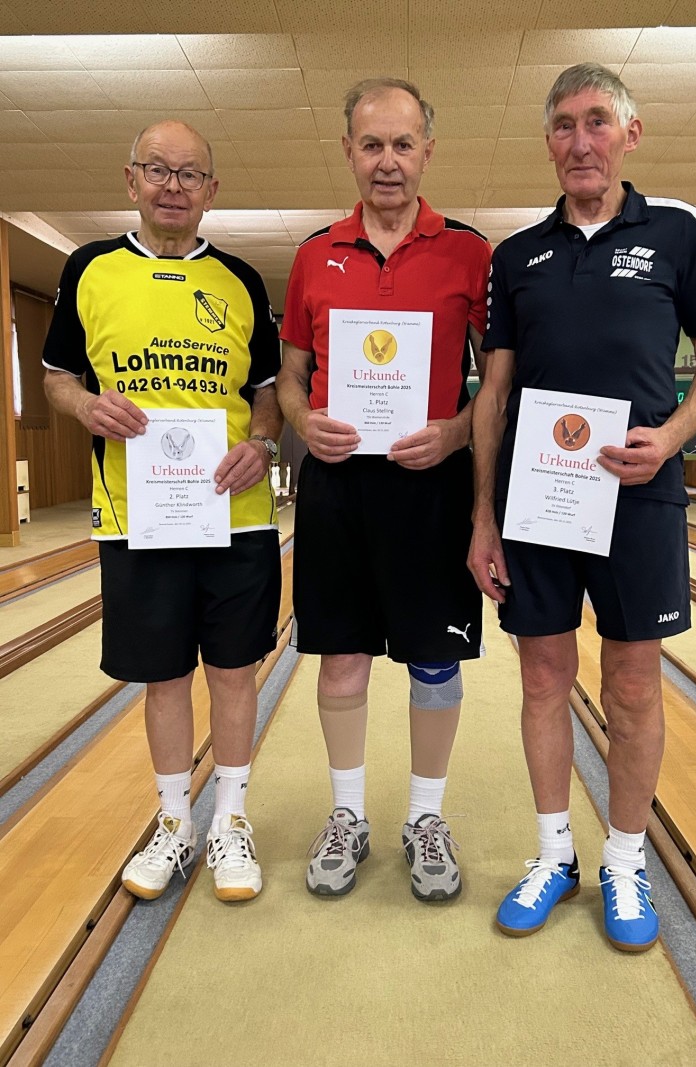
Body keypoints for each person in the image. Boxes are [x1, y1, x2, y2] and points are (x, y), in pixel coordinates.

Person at [468, 63, 696, 950]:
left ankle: (625, 858)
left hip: (639, 496)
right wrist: (482, 518)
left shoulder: (677, 231)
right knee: (542, 677)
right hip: (537, 501)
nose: (580, 141)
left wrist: (671, 438)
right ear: (547, 140)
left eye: (597, 122)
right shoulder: (517, 256)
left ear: (630, 133)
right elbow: (494, 395)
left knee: (631, 682)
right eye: (564, 125)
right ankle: (555, 854)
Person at [42, 120, 283, 903]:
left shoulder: (241, 280)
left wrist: (265, 444)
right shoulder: (89, 268)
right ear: (131, 179)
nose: (173, 186)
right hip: (137, 514)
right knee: (165, 675)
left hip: (235, 513)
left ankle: (231, 821)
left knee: (234, 670)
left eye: (189, 174)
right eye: (158, 170)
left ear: (212, 190)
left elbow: (269, 396)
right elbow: (55, 378)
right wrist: (87, 406)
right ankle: (175, 821)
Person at [277, 78, 490, 902]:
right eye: (372, 145)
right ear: (349, 153)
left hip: (431, 489)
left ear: (428, 151)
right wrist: (305, 419)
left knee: (435, 657)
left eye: (403, 144)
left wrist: (456, 432)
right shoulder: (314, 254)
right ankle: (348, 814)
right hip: (338, 488)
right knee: (342, 657)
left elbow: (498, 383)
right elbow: (290, 377)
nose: (388, 161)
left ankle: (425, 818)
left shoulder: (469, 252)